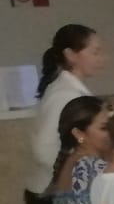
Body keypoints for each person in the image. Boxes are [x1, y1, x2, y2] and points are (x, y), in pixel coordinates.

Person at [29, 24, 108, 195]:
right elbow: (43, 148)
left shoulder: (70, 90)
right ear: (71, 55)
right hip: (54, 191)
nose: (101, 59)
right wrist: (71, 175)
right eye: (95, 53)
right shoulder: (64, 94)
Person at [47, 95, 111, 204]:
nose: (112, 132)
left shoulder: (69, 161)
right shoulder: (94, 167)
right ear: (78, 133)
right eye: (104, 128)